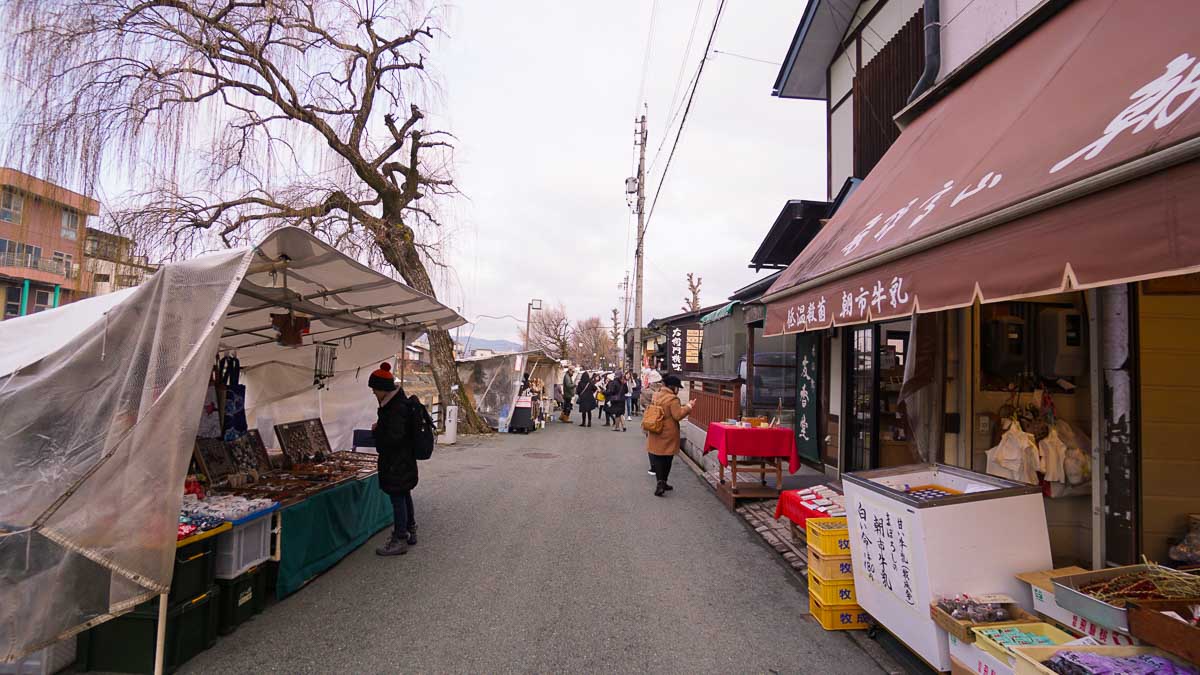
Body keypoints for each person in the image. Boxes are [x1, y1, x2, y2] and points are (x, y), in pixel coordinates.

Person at [369, 362, 419, 556]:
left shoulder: (395, 408)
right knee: (404, 493)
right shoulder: (398, 403)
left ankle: (400, 538)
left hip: (396, 462)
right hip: (404, 460)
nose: (373, 393)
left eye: (374, 389)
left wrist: (378, 431)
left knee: (398, 497)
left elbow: (394, 437)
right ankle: (410, 528)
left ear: (383, 389)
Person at [646, 373, 693, 497]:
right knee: (667, 459)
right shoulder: (673, 399)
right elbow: (677, 415)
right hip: (668, 433)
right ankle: (663, 483)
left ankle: (661, 483)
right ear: (673, 387)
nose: (678, 390)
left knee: (658, 458)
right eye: (677, 388)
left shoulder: (656, 395)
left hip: (655, 429)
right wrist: (688, 407)